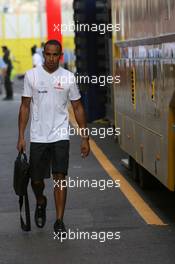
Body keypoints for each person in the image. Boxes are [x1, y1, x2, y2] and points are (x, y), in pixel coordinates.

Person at [17, 39, 90, 235]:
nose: (51, 58)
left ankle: (59, 221)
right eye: (48, 54)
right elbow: (24, 106)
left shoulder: (68, 77)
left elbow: (77, 107)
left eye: (55, 54)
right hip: (38, 136)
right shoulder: (31, 76)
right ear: (43, 54)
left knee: (60, 178)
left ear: (60, 56)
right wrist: (21, 136)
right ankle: (41, 200)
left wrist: (84, 138)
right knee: (36, 181)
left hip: (60, 134)